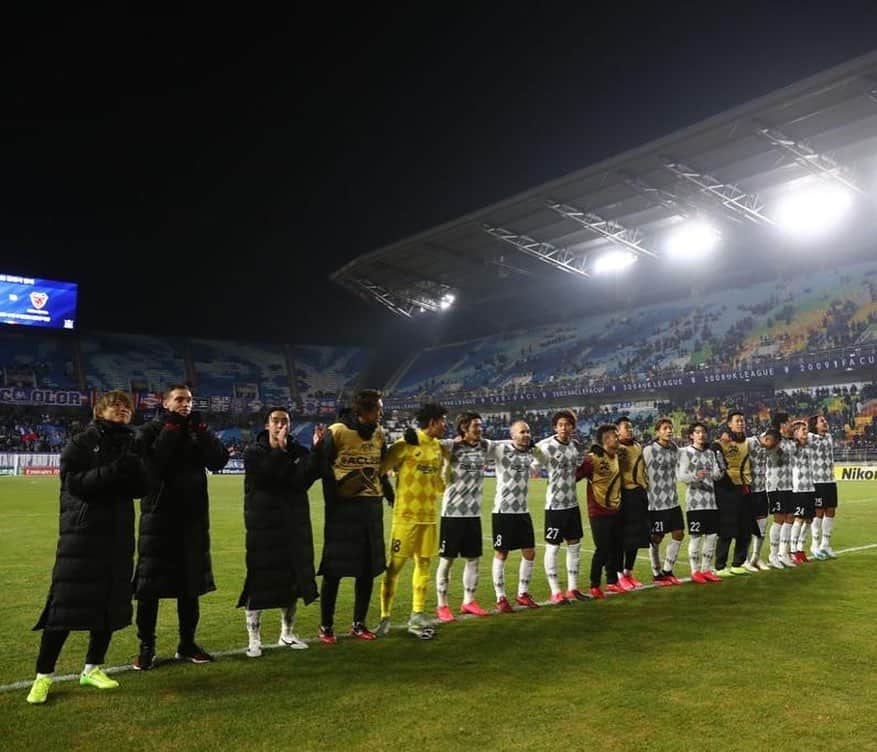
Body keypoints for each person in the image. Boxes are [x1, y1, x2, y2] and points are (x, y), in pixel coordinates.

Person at [27, 390, 147, 704]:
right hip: (82, 535)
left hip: (118, 536)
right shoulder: (80, 443)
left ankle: (93, 668)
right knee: (64, 608)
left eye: (127, 407)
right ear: (100, 411)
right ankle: (43, 676)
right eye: (115, 405)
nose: (122, 409)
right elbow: (75, 484)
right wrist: (115, 470)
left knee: (108, 604)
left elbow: (138, 489)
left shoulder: (130, 444)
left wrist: (139, 471)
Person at [132, 384, 229, 669]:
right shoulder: (149, 430)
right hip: (158, 518)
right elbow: (155, 466)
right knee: (149, 588)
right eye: (179, 399)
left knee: (191, 586)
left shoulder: (196, 429)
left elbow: (219, 460)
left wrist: (201, 431)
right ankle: (146, 645)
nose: (186, 404)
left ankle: (187, 643)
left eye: (189, 399)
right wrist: (172, 429)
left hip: (193, 519)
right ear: (166, 403)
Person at [238, 408, 325, 657]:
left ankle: (287, 634)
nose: (280, 424)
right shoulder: (254, 452)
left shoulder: (298, 451)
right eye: (275, 420)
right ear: (266, 425)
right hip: (263, 527)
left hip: (293, 526)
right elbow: (264, 478)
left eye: (284, 421)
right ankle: (253, 639)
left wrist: (317, 451)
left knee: (291, 581)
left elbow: (305, 480)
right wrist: (278, 451)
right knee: (259, 583)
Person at [318, 391, 392, 643]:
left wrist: (392, 497)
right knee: (334, 570)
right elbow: (322, 465)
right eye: (378, 410)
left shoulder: (380, 434)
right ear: (363, 411)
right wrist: (333, 499)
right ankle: (325, 626)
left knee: (367, 569)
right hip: (343, 510)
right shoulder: (337, 431)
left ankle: (359, 623)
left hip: (371, 509)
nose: (381, 414)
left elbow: (382, 469)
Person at [378, 403, 448, 639]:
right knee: (395, 567)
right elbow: (380, 470)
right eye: (442, 421)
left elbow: (439, 486)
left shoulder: (438, 448)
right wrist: (390, 496)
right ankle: (385, 616)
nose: (444, 425)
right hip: (405, 518)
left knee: (424, 565)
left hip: (428, 518)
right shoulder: (405, 443)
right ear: (432, 422)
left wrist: (447, 471)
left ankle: (417, 614)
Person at [435, 412, 491, 622]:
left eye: (480, 425)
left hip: (473, 513)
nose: (480, 428)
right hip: (452, 513)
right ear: (464, 428)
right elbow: (430, 443)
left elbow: (506, 444)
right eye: (476, 425)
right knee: (447, 560)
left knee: (473, 559)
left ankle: (469, 601)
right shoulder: (451, 445)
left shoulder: (485, 446)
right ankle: (442, 605)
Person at [533, 410, 587, 603]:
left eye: (567, 424)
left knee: (575, 546)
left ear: (572, 426)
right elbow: (533, 465)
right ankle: (555, 591)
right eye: (560, 425)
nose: (564, 428)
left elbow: (577, 471)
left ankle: (573, 588)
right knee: (553, 548)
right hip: (554, 505)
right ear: (555, 427)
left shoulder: (575, 445)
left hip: (572, 504)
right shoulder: (546, 446)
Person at [488, 420, 541, 613]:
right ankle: (500, 597)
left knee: (529, 552)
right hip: (503, 511)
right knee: (502, 553)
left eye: (528, 431)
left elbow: (540, 462)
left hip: (522, 511)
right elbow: (484, 447)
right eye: (522, 432)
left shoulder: (529, 453)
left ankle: (522, 593)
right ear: (512, 435)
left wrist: (534, 450)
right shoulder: (501, 449)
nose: (526, 434)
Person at [576, 424, 624, 598]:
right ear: (605, 439)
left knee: (616, 548)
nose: (618, 438)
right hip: (598, 510)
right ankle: (594, 585)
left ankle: (612, 582)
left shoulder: (617, 456)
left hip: (616, 509)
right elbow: (576, 475)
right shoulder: (593, 458)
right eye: (615, 436)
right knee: (602, 549)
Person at [676, 422, 724, 584]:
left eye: (703, 432)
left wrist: (717, 472)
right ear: (691, 436)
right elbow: (682, 477)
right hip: (695, 503)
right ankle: (695, 571)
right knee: (696, 537)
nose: (701, 435)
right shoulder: (686, 453)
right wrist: (696, 476)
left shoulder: (711, 453)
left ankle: (706, 569)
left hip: (711, 501)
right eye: (697, 432)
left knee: (711, 536)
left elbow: (717, 475)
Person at [642, 418, 684, 586]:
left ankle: (667, 570)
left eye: (670, 428)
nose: (669, 431)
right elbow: (640, 470)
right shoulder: (649, 450)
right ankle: (656, 571)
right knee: (656, 537)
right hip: (655, 502)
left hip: (673, 500)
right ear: (657, 431)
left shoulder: (675, 448)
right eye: (665, 428)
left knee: (679, 533)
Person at [712, 412, 754, 578]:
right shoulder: (721, 442)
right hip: (727, 490)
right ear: (729, 424)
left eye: (742, 420)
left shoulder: (748, 442)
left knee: (745, 529)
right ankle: (720, 565)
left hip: (745, 488)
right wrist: (721, 436)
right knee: (727, 529)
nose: (741, 423)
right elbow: (712, 451)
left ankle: (738, 563)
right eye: (737, 421)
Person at [615, 416, 650, 590]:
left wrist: (646, 485)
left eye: (630, 427)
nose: (629, 429)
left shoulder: (637, 446)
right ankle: (619, 574)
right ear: (617, 431)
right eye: (625, 427)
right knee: (624, 537)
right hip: (624, 494)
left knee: (637, 536)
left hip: (639, 493)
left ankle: (629, 572)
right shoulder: (617, 448)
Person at [744, 428, 780, 571]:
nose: (772, 447)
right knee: (746, 528)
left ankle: (756, 558)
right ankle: (744, 560)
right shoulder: (748, 443)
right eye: (772, 443)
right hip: (748, 492)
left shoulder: (768, 448)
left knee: (762, 528)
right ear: (766, 438)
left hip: (761, 491)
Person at [768, 412, 797, 568]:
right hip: (776, 485)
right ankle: (773, 555)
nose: (791, 425)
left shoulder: (789, 441)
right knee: (779, 519)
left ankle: (783, 553)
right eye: (789, 423)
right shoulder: (772, 439)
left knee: (790, 517)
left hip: (790, 485)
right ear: (782, 425)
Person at [808, 414, 838, 559]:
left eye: (825, 420)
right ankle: (814, 544)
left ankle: (825, 544)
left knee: (831, 510)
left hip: (830, 480)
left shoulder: (829, 437)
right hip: (817, 481)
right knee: (818, 511)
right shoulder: (810, 438)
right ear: (815, 425)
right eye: (822, 421)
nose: (825, 422)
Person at [789, 420, 816, 564]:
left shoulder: (810, 445)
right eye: (802, 430)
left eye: (806, 429)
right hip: (798, 488)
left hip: (810, 487)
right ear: (795, 433)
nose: (806, 432)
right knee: (799, 518)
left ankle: (800, 549)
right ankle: (792, 550)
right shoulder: (793, 446)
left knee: (809, 519)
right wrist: (794, 433)